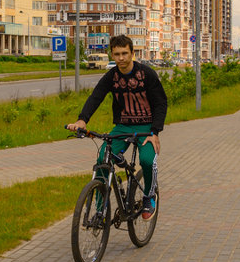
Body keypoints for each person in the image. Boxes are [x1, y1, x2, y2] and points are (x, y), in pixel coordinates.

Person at [68, 35, 167, 220]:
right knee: (102, 160)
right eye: (117, 54)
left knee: (147, 160)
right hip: (122, 127)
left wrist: (155, 132)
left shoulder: (147, 74)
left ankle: (149, 196)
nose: (121, 58)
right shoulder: (111, 76)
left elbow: (161, 104)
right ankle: (100, 210)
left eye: (124, 53)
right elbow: (95, 97)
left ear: (132, 53)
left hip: (146, 127)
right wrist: (82, 120)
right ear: (112, 55)